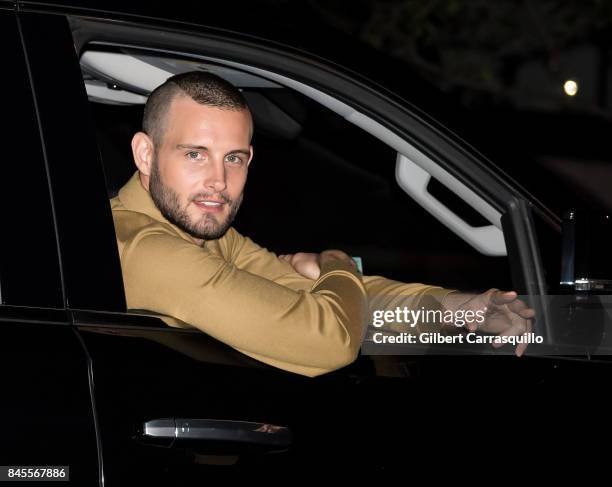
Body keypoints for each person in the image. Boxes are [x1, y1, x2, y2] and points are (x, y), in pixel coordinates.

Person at [110, 71, 535, 377]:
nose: (219, 182)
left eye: (233, 159)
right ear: (145, 154)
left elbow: (342, 301)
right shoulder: (146, 249)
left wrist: (464, 309)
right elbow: (331, 338)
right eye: (195, 154)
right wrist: (338, 263)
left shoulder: (205, 235)